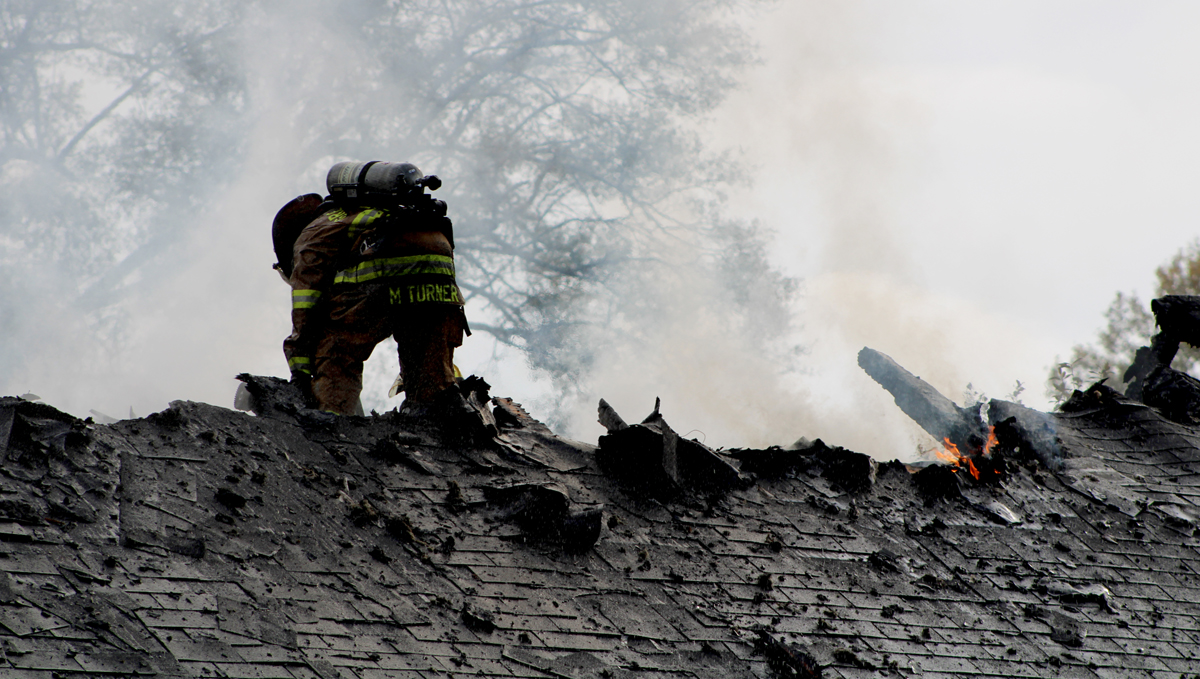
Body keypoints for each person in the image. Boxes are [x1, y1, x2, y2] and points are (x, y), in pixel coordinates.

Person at [280, 161, 471, 416]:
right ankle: (438, 417)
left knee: (336, 351)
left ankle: (333, 421)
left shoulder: (313, 233)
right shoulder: (390, 211)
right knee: (428, 369)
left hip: (385, 278)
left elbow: (306, 306)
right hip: (439, 271)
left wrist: (300, 370)